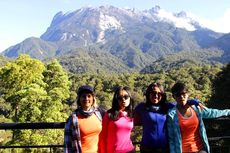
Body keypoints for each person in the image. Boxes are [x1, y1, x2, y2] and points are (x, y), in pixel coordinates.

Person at [134, 82, 201, 153]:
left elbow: (181, 103)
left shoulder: (168, 106)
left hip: (164, 148)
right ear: (148, 94)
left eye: (159, 93)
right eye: (153, 93)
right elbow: (129, 114)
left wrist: (193, 102)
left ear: (162, 95)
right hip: (147, 148)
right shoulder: (142, 107)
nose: (156, 95)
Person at [167, 82, 230, 153]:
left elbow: (212, 112)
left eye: (183, 93)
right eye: (178, 95)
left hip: (200, 149)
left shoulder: (197, 109)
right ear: (174, 97)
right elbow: (171, 139)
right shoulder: (171, 115)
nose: (181, 96)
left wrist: (228, 112)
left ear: (187, 94)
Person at [64, 85, 105, 153]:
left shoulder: (99, 114)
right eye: (83, 96)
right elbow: (67, 145)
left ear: (93, 99)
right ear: (79, 99)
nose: (86, 98)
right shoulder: (73, 119)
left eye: (89, 96)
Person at [99, 86, 135, 153]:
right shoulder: (109, 114)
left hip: (129, 150)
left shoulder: (132, 114)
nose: (123, 99)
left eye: (126, 97)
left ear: (130, 98)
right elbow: (102, 136)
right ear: (116, 100)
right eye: (120, 98)